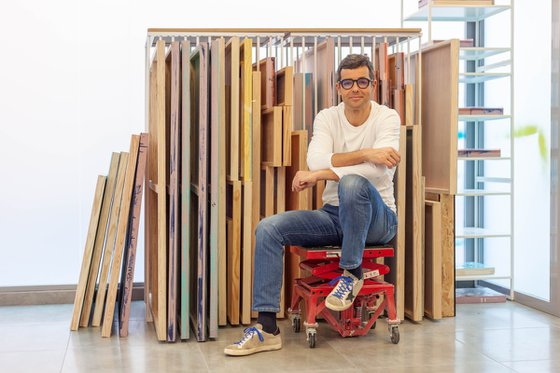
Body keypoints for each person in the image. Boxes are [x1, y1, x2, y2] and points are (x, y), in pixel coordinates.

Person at [224, 54, 401, 356]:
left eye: (362, 81)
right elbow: (315, 159)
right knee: (268, 228)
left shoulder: (387, 117)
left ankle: (351, 274)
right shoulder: (326, 117)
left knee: (353, 183)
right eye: (348, 82)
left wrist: (321, 174)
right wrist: (366, 153)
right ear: (338, 87)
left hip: (378, 219)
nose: (355, 88)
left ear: (372, 85)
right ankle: (267, 328)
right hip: (333, 216)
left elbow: (376, 172)